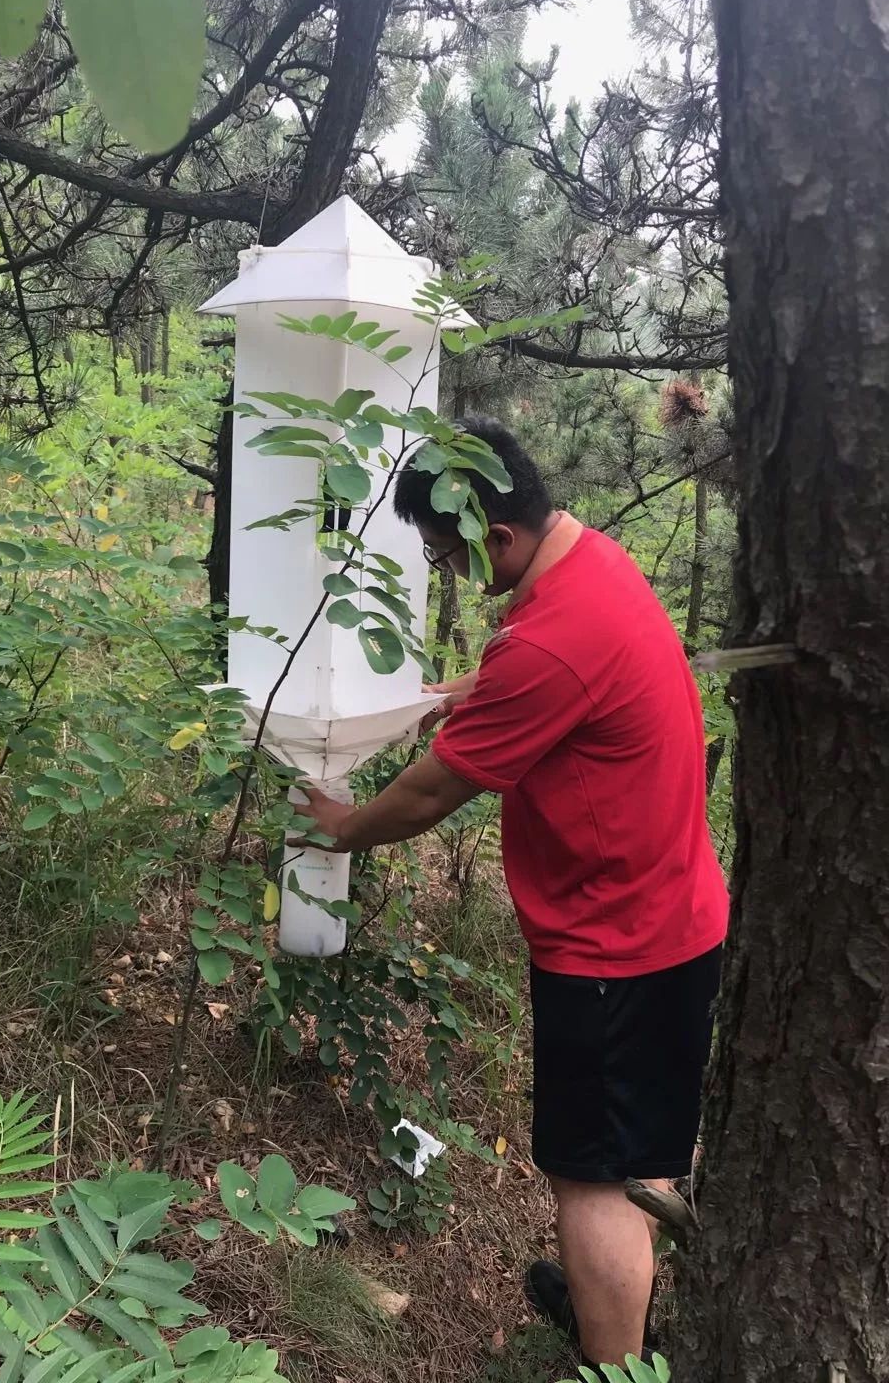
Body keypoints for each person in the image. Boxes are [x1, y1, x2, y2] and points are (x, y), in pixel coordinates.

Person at [298, 417, 728, 1376]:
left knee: (591, 1178)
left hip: (616, 947)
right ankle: (621, 1319)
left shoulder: (553, 639)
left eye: (450, 555)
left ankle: (611, 1362)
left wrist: (343, 827)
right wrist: (453, 691)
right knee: (641, 1155)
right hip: (676, 920)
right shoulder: (590, 564)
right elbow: (535, 678)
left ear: (496, 535)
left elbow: (433, 791)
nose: (450, 574)